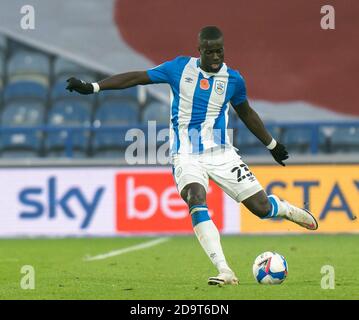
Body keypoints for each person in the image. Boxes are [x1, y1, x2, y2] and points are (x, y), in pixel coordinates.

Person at [66, 26, 318, 286]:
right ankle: (225, 271)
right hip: (186, 154)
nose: (216, 56)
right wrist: (94, 86)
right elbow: (138, 77)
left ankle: (286, 209)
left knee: (262, 209)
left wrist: (272, 144)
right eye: (210, 52)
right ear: (199, 50)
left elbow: (246, 113)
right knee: (195, 198)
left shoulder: (233, 80)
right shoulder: (179, 68)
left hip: (222, 154)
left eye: (219, 51)